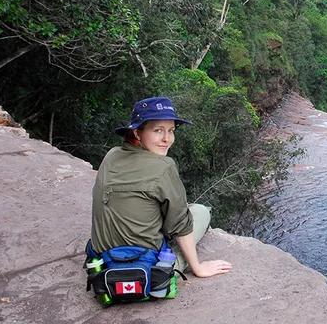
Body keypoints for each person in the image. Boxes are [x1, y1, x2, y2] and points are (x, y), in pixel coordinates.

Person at [90, 96, 232, 278]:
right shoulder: (163, 167)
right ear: (136, 133)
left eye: (171, 131)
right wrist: (198, 267)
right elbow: (180, 224)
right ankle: (170, 268)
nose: (167, 139)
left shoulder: (111, 155)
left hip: (101, 261)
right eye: (158, 130)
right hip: (143, 269)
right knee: (201, 212)